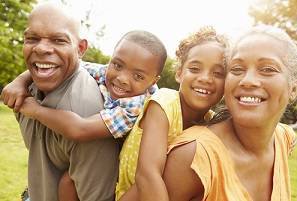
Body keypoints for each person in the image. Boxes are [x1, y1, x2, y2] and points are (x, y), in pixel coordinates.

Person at [6, 31, 167, 201]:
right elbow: (62, 65)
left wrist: (36, 110)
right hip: (89, 154)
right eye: (118, 65)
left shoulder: (135, 105)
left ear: (153, 81)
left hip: (119, 168)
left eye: (138, 76)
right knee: (66, 181)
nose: (122, 79)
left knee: (71, 182)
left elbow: (79, 129)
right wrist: (20, 81)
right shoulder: (105, 73)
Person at [163, 25, 297, 201]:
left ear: (293, 89)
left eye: (267, 69)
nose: (247, 81)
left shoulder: (283, 139)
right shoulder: (194, 156)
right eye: (236, 69)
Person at [0, 2, 120, 201]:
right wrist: (21, 79)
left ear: (80, 48)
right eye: (32, 38)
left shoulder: (87, 113)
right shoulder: (25, 93)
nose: (41, 48)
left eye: (58, 40)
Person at [117, 26, 229, 201]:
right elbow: (147, 174)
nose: (205, 78)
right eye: (195, 68)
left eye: (217, 73)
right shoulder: (164, 102)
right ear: (179, 73)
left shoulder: (210, 121)